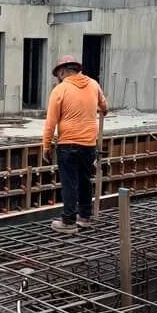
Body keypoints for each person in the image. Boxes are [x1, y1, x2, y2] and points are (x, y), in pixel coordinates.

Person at [42, 56, 108, 234]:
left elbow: (51, 122)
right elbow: (105, 106)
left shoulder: (60, 89)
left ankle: (69, 221)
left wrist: (46, 146)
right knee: (85, 180)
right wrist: (99, 109)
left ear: (62, 72)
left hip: (68, 144)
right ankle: (85, 217)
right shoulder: (93, 84)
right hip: (89, 144)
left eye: (59, 75)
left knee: (69, 182)